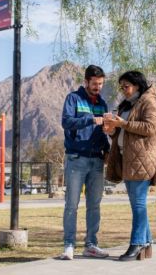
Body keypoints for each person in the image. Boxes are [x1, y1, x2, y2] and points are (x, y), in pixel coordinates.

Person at [103, 70, 156, 261]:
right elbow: (123, 131)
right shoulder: (127, 104)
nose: (123, 91)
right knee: (138, 205)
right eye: (121, 87)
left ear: (137, 85)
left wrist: (124, 123)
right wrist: (111, 130)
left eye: (126, 86)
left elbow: (151, 128)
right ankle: (146, 244)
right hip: (127, 160)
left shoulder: (148, 102)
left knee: (138, 205)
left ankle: (136, 244)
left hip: (142, 161)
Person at [60, 64, 110, 260]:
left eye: (100, 84)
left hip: (97, 161)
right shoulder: (73, 98)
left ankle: (91, 245)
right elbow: (66, 122)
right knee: (71, 204)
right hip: (76, 159)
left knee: (94, 205)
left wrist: (107, 149)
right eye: (95, 83)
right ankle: (69, 245)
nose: (98, 87)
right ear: (86, 81)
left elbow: (102, 131)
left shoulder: (103, 104)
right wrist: (91, 119)